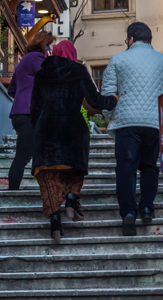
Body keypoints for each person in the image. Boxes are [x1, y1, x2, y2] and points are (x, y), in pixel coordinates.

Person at [30, 40, 118, 241]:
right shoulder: (78, 71)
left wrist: (38, 131)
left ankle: (54, 222)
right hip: (73, 130)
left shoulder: (42, 74)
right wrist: (114, 99)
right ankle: (71, 199)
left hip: (46, 132)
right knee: (74, 169)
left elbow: (34, 109)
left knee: (49, 178)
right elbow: (95, 100)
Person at [101, 21, 163, 236]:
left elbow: (108, 94)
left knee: (125, 169)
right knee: (149, 166)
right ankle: (146, 206)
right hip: (154, 123)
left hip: (127, 123)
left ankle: (128, 212)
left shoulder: (118, 59)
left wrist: (111, 117)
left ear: (130, 39)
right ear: (149, 39)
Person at [6, 31, 55, 190]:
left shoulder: (24, 60)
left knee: (30, 153)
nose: (50, 50)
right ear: (43, 44)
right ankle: (12, 193)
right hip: (29, 114)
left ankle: (45, 191)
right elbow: (49, 80)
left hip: (19, 113)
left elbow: (11, 90)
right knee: (23, 156)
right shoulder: (37, 58)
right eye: (49, 46)